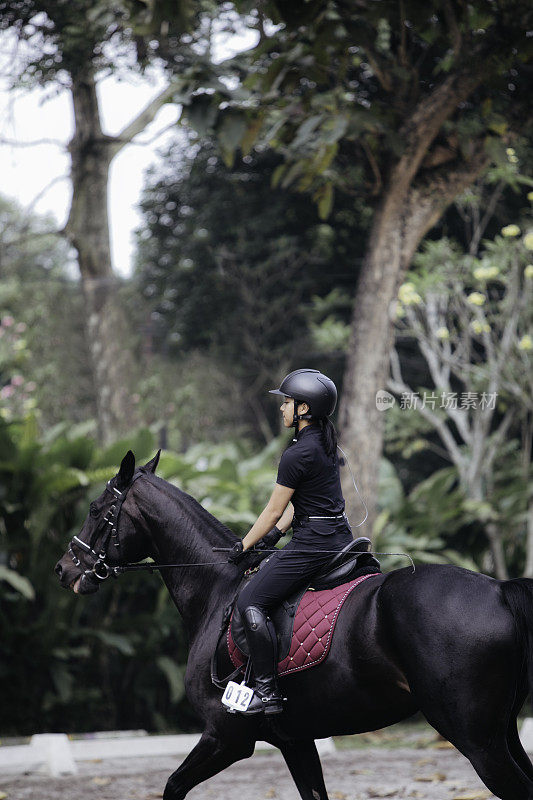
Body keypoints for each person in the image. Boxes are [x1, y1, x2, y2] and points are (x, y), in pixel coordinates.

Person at [228, 368, 354, 715]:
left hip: (314, 544)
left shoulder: (296, 454)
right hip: (338, 536)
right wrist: (273, 537)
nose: (282, 409)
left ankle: (266, 691)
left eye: (286, 402)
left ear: (303, 409)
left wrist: (244, 546)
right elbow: (300, 505)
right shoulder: (324, 444)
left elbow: (272, 510)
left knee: (252, 600)